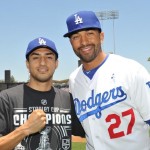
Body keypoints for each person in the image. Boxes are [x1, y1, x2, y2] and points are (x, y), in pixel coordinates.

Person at [63, 10, 150, 150]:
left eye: (90, 33)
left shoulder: (132, 70)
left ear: (101, 36)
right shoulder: (74, 80)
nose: (84, 42)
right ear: (70, 43)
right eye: (76, 37)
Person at [0, 37, 85, 150]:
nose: (43, 62)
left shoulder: (67, 98)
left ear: (56, 63)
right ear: (27, 64)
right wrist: (25, 129)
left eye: (49, 57)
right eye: (36, 57)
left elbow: (90, 132)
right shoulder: (7, 98)